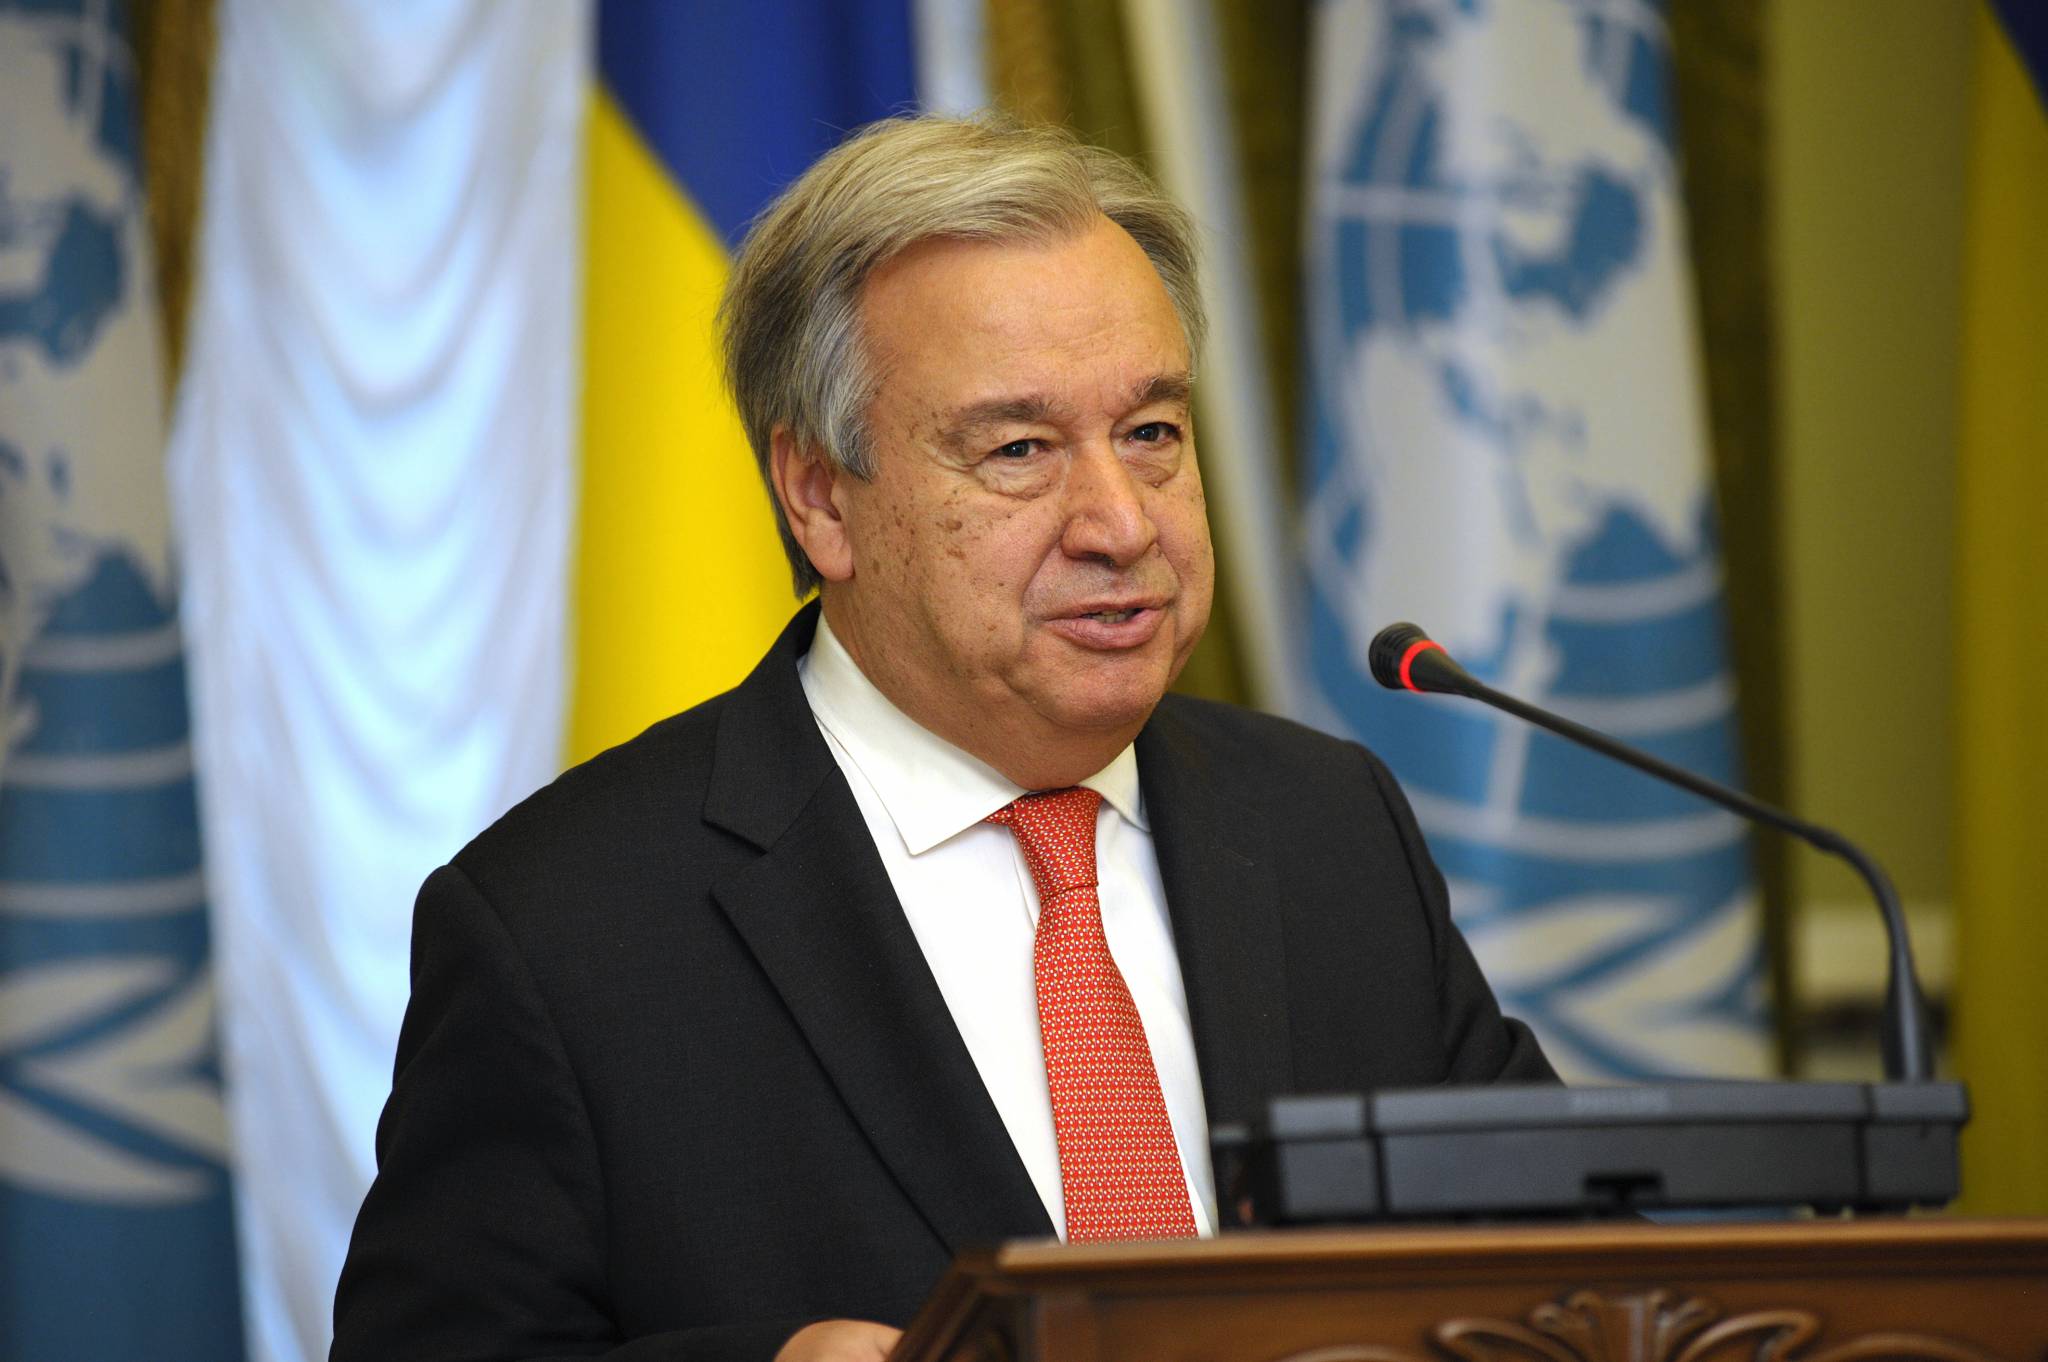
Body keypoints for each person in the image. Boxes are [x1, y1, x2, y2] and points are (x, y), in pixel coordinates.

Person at [329, 115, 1552, 1362]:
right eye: (1018, 450)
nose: (1121, 524)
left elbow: (1559, 1265)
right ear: (819, 497)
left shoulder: (1326, 826)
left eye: (1150, 433)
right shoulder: (566, 925)